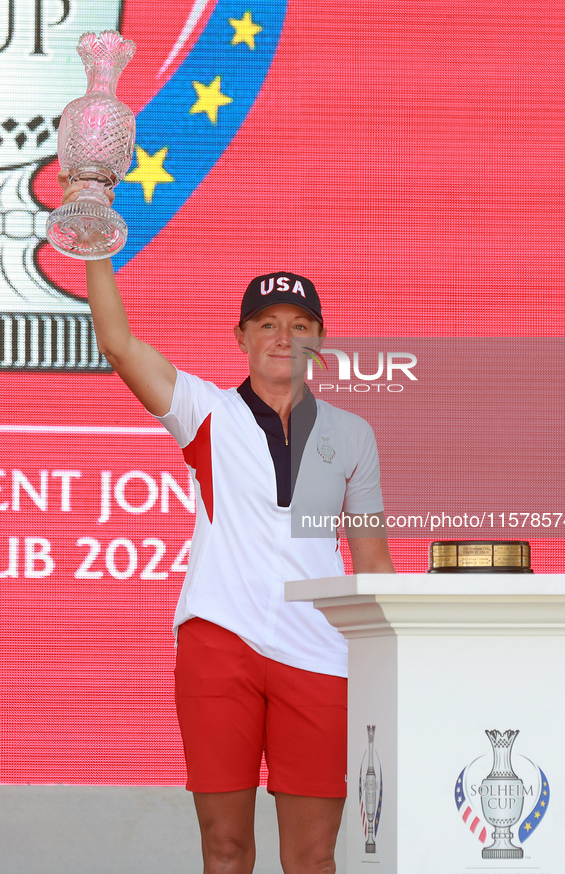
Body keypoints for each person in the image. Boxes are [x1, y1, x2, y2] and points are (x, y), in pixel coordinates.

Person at [58, 173, 395, 874]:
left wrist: (394, 663)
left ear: (319, 341)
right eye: (267, 323)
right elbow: (118, 343)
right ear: (240, 335)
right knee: (225, 849)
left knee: (309, 857)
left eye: (299, 325)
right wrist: (93, 235)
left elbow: (373, 565)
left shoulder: (352, 434)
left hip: (322, 654)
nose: (283, 337)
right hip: (220, 647)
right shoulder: (203, 410)